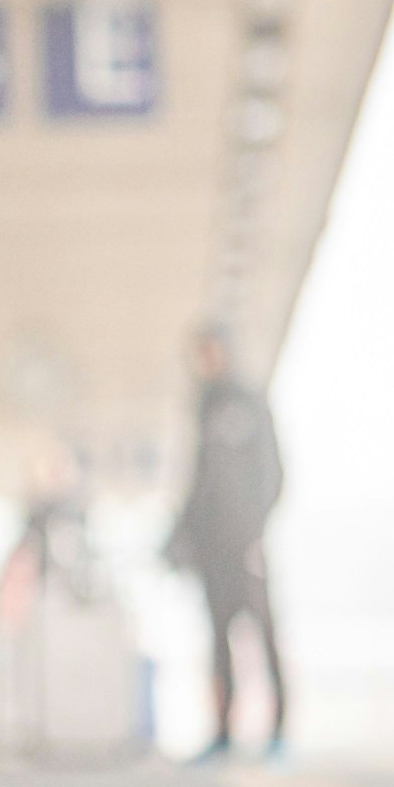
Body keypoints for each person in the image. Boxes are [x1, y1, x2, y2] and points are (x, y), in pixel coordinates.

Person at [165, 324, 287, 762]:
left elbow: (274, 474)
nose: (207, 362)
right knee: (219, 640)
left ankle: (279, 732)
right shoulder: (204, 406)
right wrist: (181, 536)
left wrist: (254, 533)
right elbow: (198, 483)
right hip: (210, 550)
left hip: (246, 545)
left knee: (264, 634)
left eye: (212, 352)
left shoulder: (250, 402)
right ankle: (223, 733)